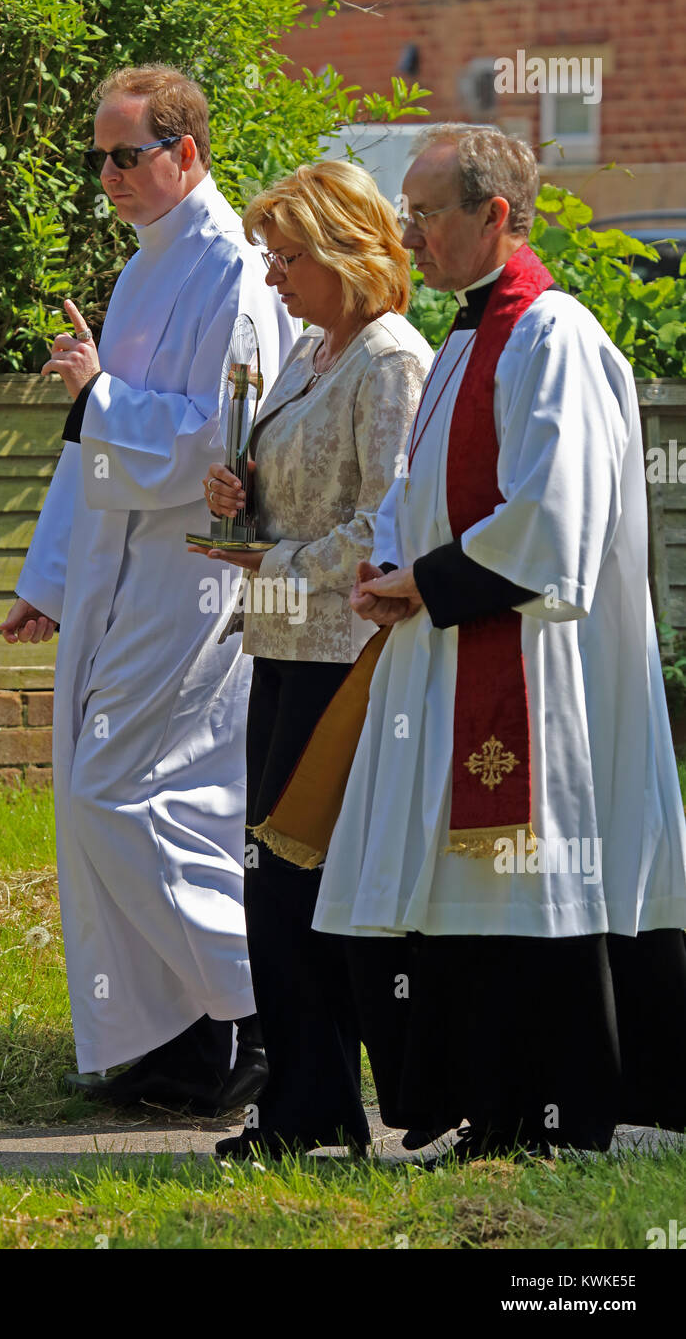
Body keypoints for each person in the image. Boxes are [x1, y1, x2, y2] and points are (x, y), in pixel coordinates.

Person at [314, 123, 686, 1160]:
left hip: (529, 666)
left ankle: (546, 1113)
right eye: (406, 211)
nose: (408, 232)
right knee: (464, 889)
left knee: (523, 878)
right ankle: (494, 1106)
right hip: (452, 642)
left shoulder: (549, 335)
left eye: (425, 212)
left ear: (492, 215)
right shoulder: (467, 339)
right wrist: (388, 563)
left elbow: (548, 520)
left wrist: (424, 582)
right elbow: (416, 490)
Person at [0, 65, 299, 1115]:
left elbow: (228, 444)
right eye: (101, 158)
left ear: (186, 151)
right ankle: (180, 1034)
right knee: (106, 803)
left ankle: (259, 1013)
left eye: (127, 155)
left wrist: (98, 392)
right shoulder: (141, 268)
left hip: (192, 574)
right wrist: (47, 578)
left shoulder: (236, 271)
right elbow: (94, 444)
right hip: (118, 574)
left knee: (119, 795)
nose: (109, 175)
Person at [188, 161, 432, 1157]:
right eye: (267, 258)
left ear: (343, 251)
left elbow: (388, 520)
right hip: (281, 636)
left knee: (300, 886)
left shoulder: (388, 360)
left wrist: (273, 555)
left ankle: (321, 1110)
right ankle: (306, 1100)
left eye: (287, 258)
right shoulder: (306, 348)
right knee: (271, 884)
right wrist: (235, 494)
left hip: (342, 654)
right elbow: (286, 482)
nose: (274, 278)